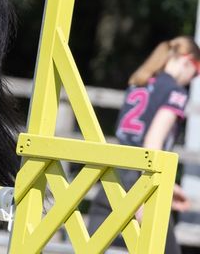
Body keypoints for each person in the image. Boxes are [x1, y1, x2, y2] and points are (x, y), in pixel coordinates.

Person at [85, 36, 199, 252]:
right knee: (168, 249)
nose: (191, 79)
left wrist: (171, 187)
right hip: (142, 173)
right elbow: (153, 141)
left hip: (116, 168)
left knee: (91, 244)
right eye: (196, 72)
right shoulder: (175, 92)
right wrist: (149, 190)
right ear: (186, 61)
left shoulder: (140, 82)